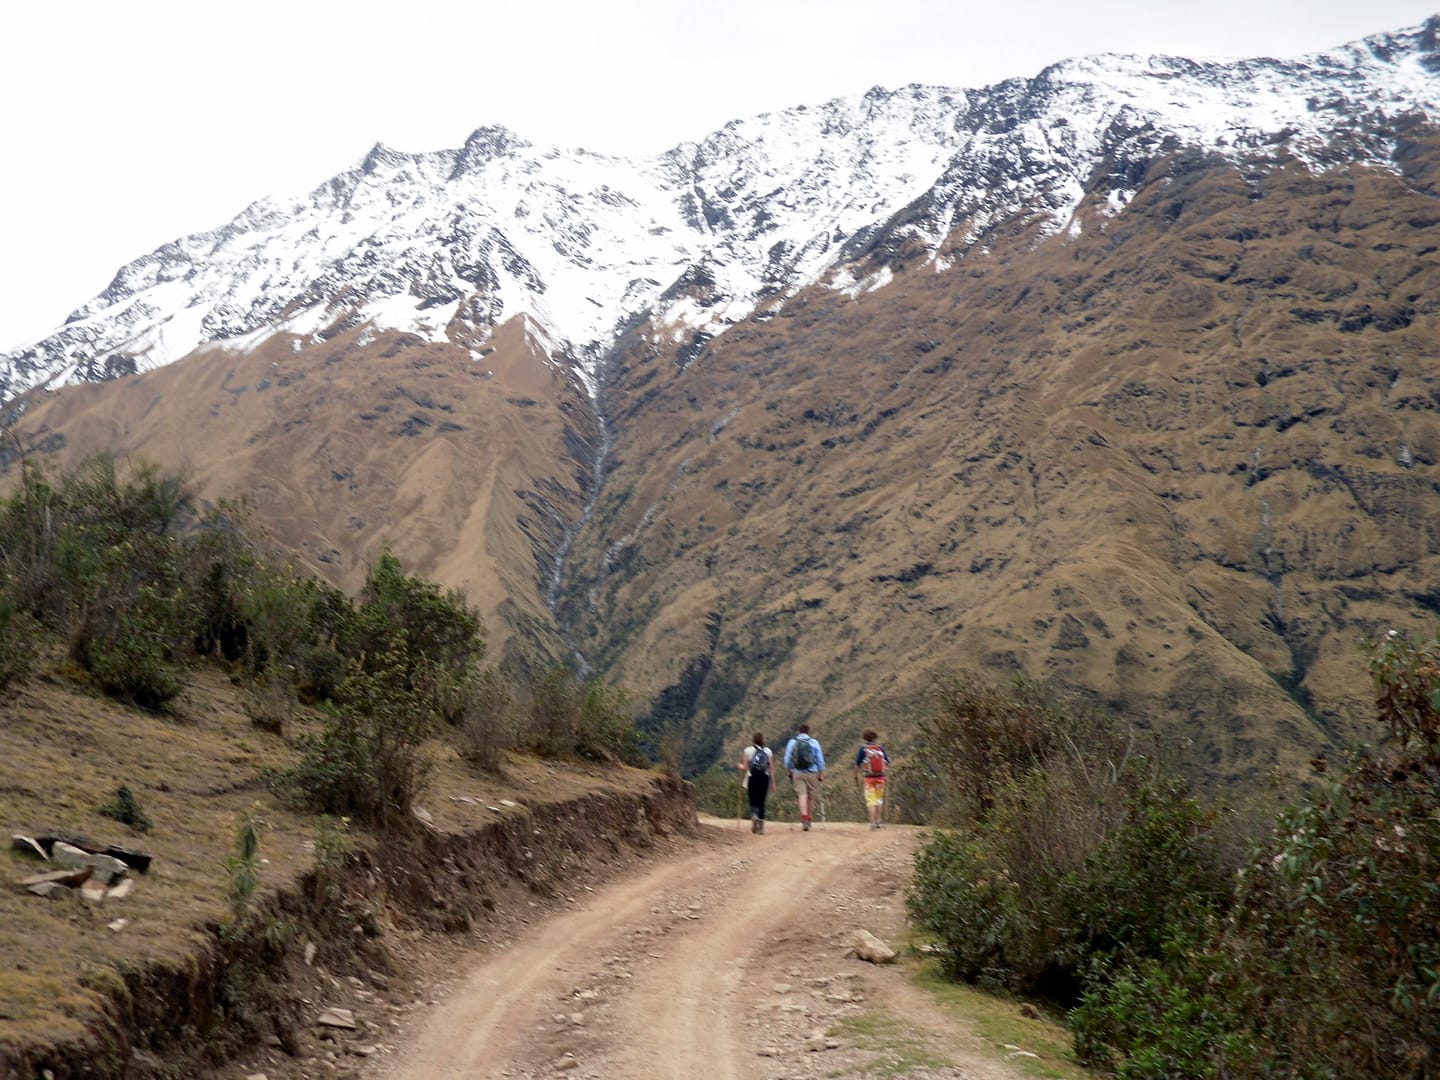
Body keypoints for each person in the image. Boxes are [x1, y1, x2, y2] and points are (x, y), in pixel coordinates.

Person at [783, 723, 825, 831]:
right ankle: (809, 818)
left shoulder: (792, 742)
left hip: (797, 773)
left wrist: (789, 770)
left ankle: (804, 818)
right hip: (812, 772)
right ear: (808, 732)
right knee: (810, 797)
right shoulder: (814, 742)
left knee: (802, 795)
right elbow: (819, 759)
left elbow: (787, 759)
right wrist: (821, 773)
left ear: (798, 731)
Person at [854, 730, 891, 829]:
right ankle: (878, 821)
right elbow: (887, 762)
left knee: (871, 801)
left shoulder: (863, 749)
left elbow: (857, 764)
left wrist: (856, 776)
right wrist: (885, 774)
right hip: (880, 777)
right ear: (875, 738)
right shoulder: (880, 748)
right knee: (879, 800)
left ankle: (872, 823)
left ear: (865, 738)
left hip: (869, 778)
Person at [738, 732, 773, 833]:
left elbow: (744, 767)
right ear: (763, 740)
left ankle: (754, 815)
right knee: (762, 801)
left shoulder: (748, 750)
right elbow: (771, 768)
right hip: (764, 777)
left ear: (753, 740)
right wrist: (773, 783)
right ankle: (761, 828)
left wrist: (739, 766)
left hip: (752, 777)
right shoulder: (768, 751)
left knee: (753, 799)